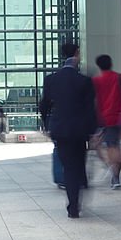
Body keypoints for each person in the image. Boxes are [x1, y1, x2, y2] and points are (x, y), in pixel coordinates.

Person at [40, 43, 97, 218]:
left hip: (60, 129)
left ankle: (73, 203)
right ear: (77, 53)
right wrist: (94, 131)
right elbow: (91, 109)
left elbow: (44, 106)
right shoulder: (85, 81)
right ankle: (75, 200)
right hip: (80, 131)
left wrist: (46, 125)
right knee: (78, 165)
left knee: (69, 167)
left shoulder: (51, 79)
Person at [92, 54, 121, 188]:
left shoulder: (96, 81)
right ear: (111, 63)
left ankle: (115, 177)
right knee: (120, 146)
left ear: (98, 66)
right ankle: (116, 175)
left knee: (112, 147)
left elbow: (94, 101)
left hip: (107, 119)